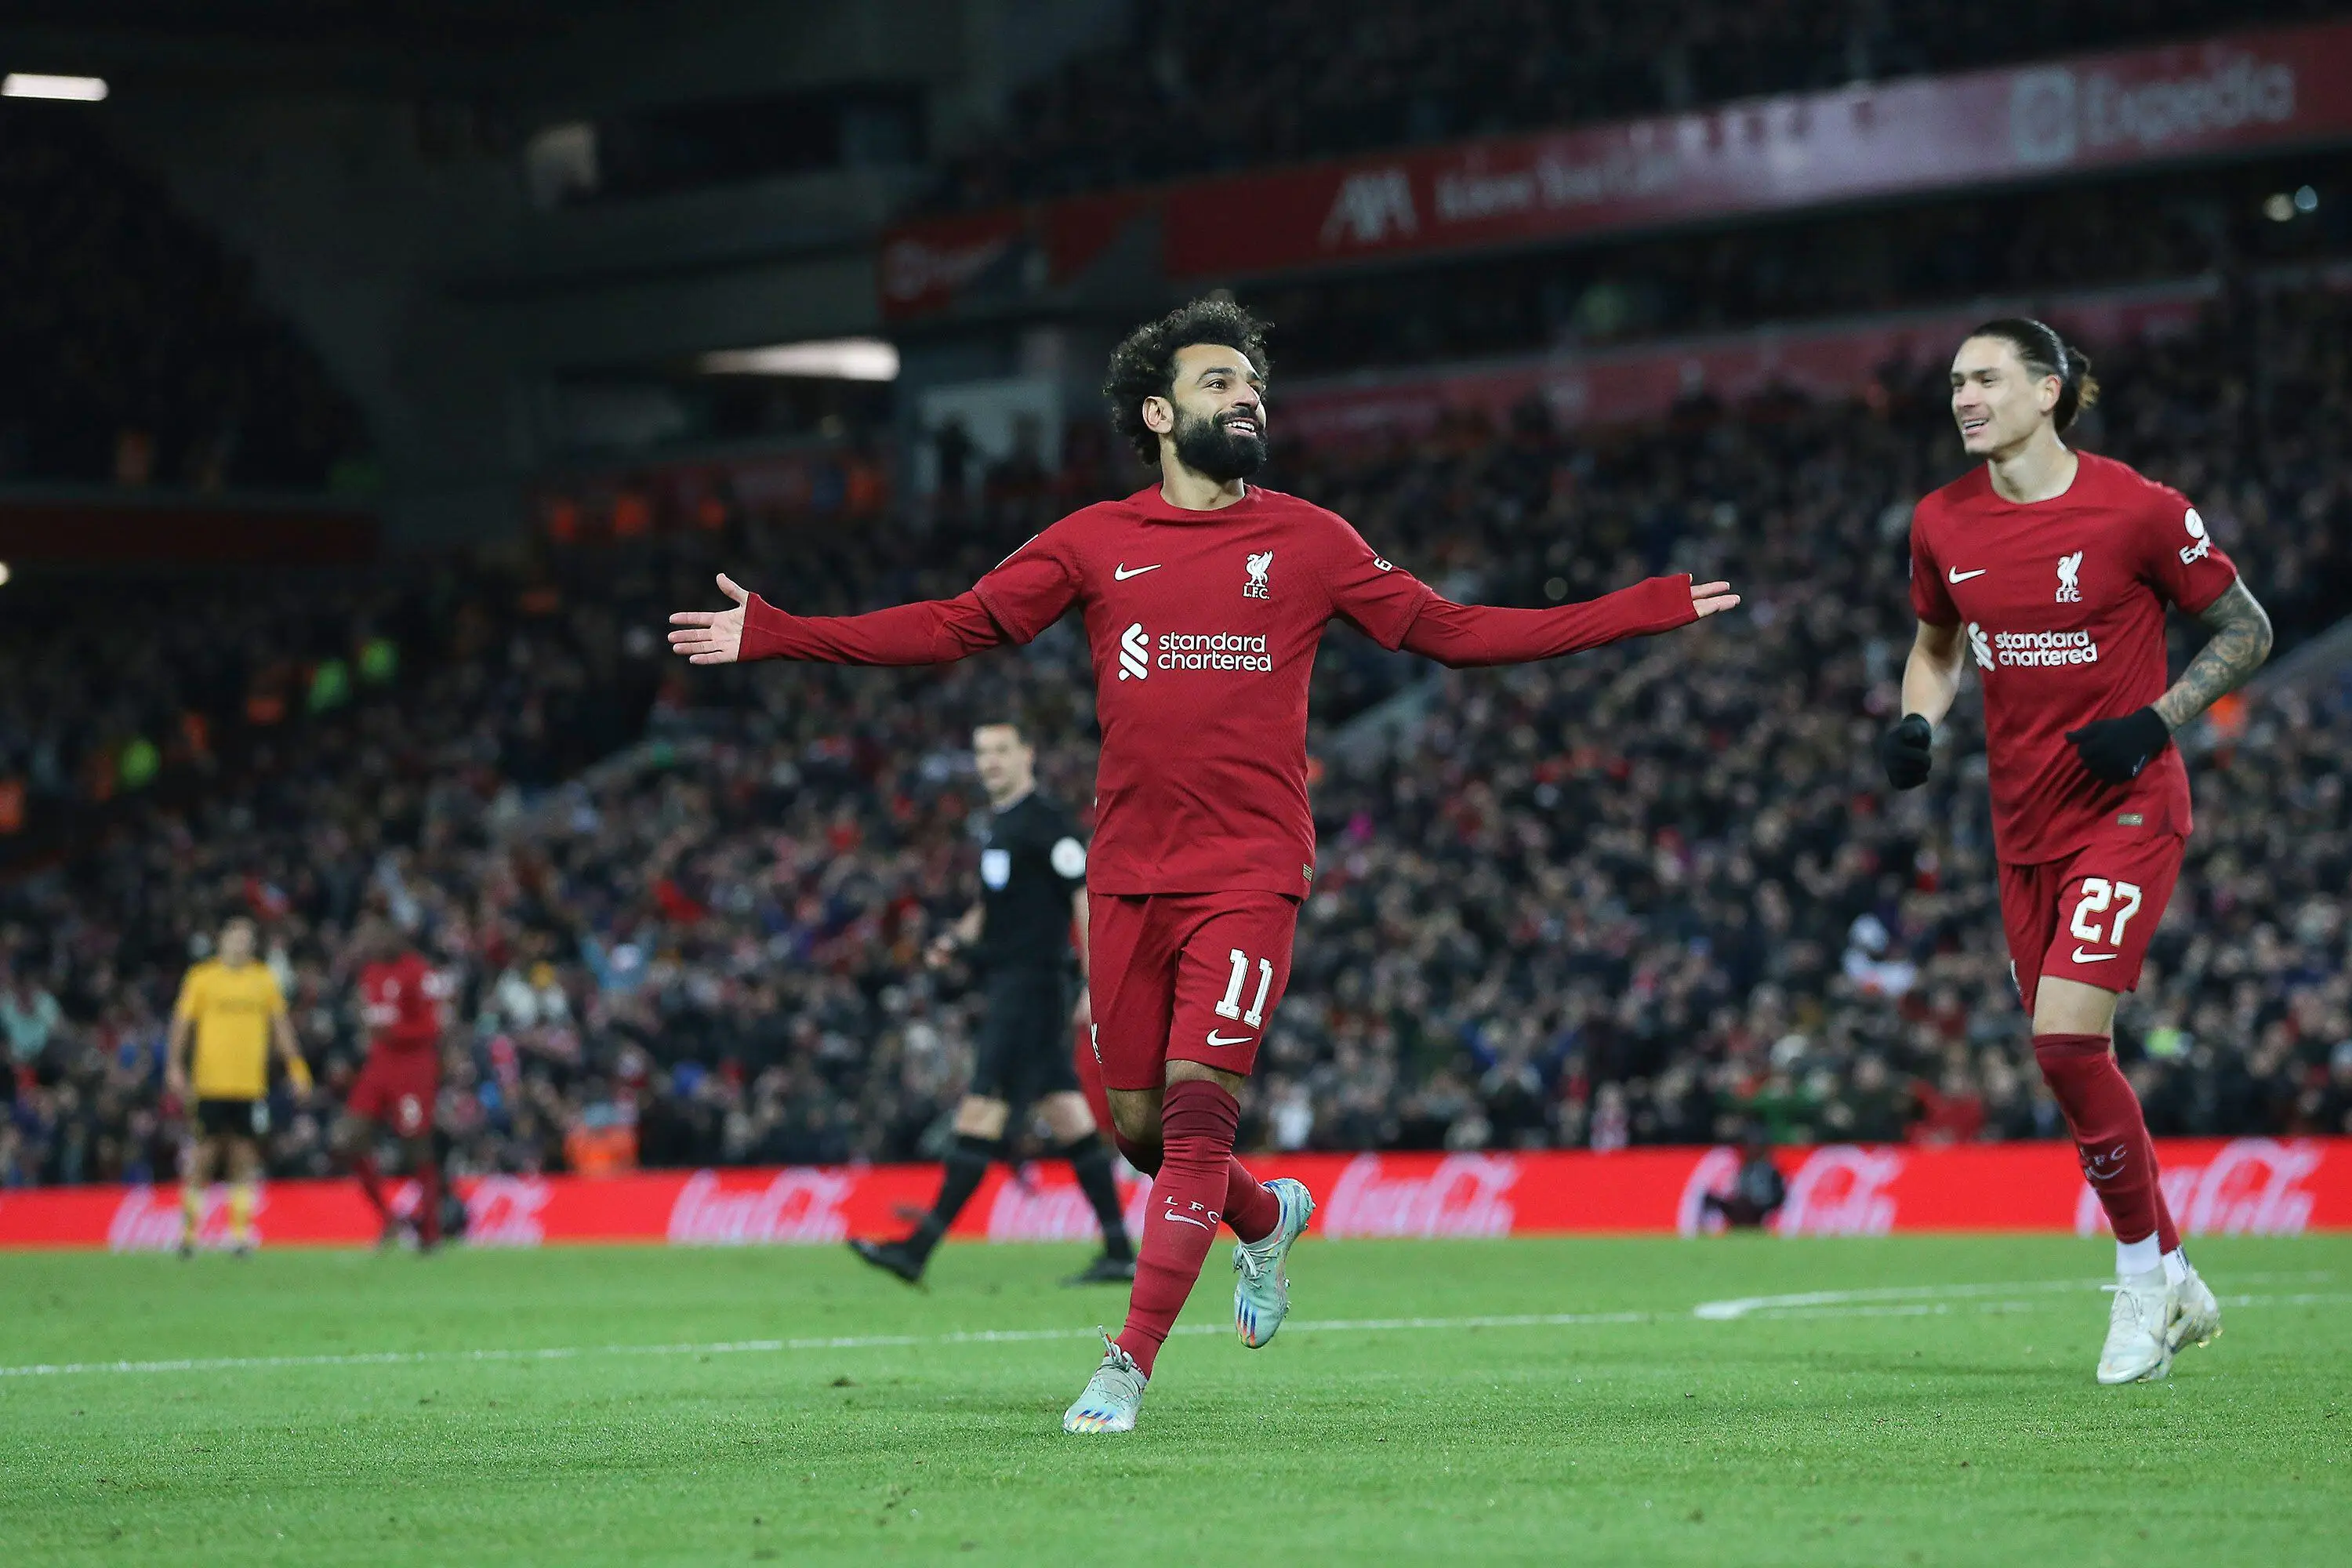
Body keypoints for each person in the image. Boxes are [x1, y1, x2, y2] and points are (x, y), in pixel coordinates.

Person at [670, 297, 1737, 1433]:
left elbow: (1457, 631)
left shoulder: (1315, 542)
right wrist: (784, 631)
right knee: (1138, 1132)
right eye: (1222, 383)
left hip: (1250, 872)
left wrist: (1643, 606)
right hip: (1129, 878)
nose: (1248, 398)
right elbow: (957, 624)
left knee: (1193, 1125)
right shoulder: (1091, 541)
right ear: (1159, 411)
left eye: (1254, 384)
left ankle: (1122, 1368)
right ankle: (1266, 1223)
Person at [1882, 317, 2270, 1385]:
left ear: (2048, 390)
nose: (1964, 397)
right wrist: (1921, 721)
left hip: (2131, 806)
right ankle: (2176, 1273)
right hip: (2023, 832)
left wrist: (2158, 721)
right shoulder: (1939, 522)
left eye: (1988, 378)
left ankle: (2143, 1279)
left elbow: (2247, 629)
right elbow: (1934, 649)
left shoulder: (2137, 509)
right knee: (2072, 1061)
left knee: (2063, 1044)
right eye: (1956, 381)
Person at [850, 719, 1136, 1287]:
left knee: (982, 1109)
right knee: (1067, 1114)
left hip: (1031, 988)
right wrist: (955, 939)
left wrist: (1094, 984)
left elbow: (1087, 900)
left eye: (1002, 750)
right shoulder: (999, 827)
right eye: (982, 752)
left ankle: (919, 1248)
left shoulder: (1046, 826)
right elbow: (993, 907)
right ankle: (1119, 1250)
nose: (991, 762)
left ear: (1027, 754)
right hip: (1009, 981)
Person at [165, 916, 310, 1256]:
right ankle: (187, 1234)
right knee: (204, 1153)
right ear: (222, 941)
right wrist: (174, 1066)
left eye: (247, 939)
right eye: (235, 938)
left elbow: (281, 1027)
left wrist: (297, 1067)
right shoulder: (202, 978)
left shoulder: (263, 980)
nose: (241, 944)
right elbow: (182, 1025)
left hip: (249, 1085)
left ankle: (240, 1234)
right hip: (210, 1084)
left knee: (244, 1155)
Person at [336, 916, 452, 1251]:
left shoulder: (419, 972)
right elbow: (369, 1017)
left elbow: (434, 1027)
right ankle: (388, 1219)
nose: (369, 946)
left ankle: (430, 1233)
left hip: (414, 1067)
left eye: (374, 939)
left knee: (417, 1146)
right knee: (346, 1139)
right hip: (379, 1066)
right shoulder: (369, 974)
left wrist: (395, 1031)